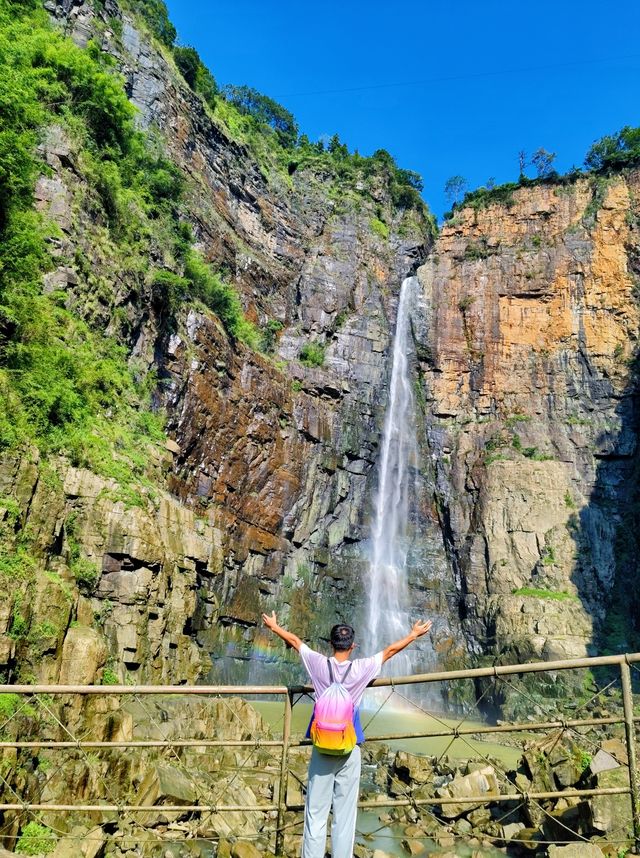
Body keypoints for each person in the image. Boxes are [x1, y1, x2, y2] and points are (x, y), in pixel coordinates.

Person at [262, 612, 432, 858]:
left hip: (321, 747)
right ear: (353, 646)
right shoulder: (362, 668)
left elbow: (297, 643)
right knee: (344, 814)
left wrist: (275, 627)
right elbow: (390, 651)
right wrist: (414, 634)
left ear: (330, 644)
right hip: (350, 747)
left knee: (316, 813)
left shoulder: (318, 663)